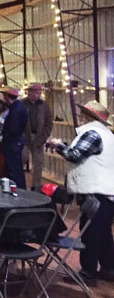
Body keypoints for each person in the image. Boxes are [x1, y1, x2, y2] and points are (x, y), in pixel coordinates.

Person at [48, 100, 114, 286]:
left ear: (89, 117)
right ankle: (109, 268)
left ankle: (88, 272)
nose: (79, 117)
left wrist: (58, 145)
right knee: (103, 232)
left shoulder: (92, 133)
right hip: (106, 190)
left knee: (91, 233)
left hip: (97, 189)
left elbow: (74, 155)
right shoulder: (104, 133)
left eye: (82, 114)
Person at [22, 83, 53, 190]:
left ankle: (36, 186)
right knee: (21, 159)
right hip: (25, 137)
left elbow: (49, 122)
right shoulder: (22, 104)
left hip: (39, 137)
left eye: (39, 92)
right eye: (36, 92)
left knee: (38, 163)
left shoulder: (43, 105)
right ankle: (20, 185)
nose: (38, 94)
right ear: (29, 92)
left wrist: (44, 136)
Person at [0, 86, 28, 188]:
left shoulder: (15, 110)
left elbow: (13, 129)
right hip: (17, 141)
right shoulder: (18, 107)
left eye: (4, 95)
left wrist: (5, 137)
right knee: (17, 169)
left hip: (13, 143)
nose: (3, 98)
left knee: (15, 169)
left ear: (7, 96)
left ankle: (19, 190)